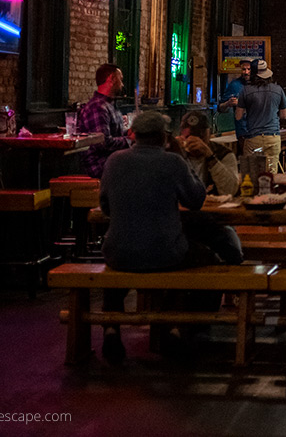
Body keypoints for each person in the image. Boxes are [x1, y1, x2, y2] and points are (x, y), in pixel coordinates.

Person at [99, 111, 243, 364]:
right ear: (164, 136)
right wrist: (181, 160)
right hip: (164, 252)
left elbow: (106, 208)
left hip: (116, 252)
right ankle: (179, 328)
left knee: (124, 251)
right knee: (207, 259)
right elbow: (196, 200)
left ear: (134, 135)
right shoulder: (172, 163)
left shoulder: (114, 161)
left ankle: (111, 328)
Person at [79, 63, 132, 179]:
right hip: (100, 166)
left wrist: (130, 133)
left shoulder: (109, 105)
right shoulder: (97, 107)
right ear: (112, 79)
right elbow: (103, 143)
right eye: (121, 79)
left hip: (113, 161)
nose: (122, 84)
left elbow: (115, 135)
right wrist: (130, 140)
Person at [236, 59, 286, 173]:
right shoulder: (278, 89)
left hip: (253, 138)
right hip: (273, 137)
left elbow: (238, 116)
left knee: (251, 173)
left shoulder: (246, 90)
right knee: (271, 174)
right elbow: (284, 115)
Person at [177, 110, 239, 196]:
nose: (194, 141)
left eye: (199, 136)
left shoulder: (223, 154)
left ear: (208, 134)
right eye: (188, 136)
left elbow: (230, 191)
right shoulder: (175, 154)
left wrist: (211, 157)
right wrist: (173, 154)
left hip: (213, 208)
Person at [217, 60, 250, 145]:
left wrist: (241, 103)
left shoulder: (258, 85)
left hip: (257, 130)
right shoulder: (235, 85)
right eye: (244, 69)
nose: (246, 72)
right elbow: (220, 108)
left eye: (249, 69)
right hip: (242, 132)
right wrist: (227, 103)